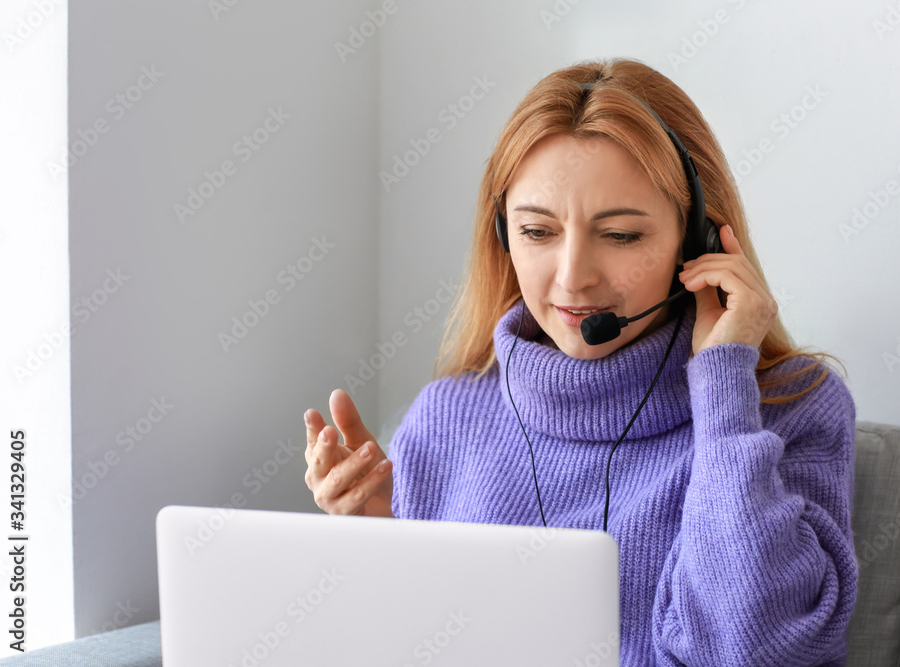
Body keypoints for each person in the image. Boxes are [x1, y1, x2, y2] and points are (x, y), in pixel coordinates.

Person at [303, 58, 858, 666]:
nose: (573, 279)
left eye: (620, 236)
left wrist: (724, 390)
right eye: (538, 232)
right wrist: (378, 534)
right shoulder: (447, 414)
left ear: (698, 240)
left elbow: (753, 649)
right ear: (503, 235)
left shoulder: (793, 407)